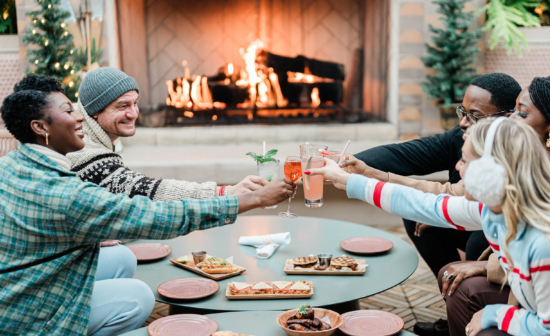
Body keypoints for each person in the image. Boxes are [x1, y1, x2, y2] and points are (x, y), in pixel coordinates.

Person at [0, 76, 294, 335]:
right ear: (40, 127)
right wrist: (244, 200)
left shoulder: (12, 163)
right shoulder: (65, 193)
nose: (80, 118)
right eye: (69, 111)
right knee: (139, 296)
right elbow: (151, 216)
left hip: (16, 283)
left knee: (122, 258)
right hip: (28, 314)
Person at [309, 117, 550, 336]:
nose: (458, 168)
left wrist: (496, 314)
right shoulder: (495, 209)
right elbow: (425, 206)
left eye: (465, 161)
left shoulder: (547, 242)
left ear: (494, 171)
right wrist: (348, 180)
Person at [345, 73, 521, 336]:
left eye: (474, 115)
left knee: (476, 240)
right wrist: (347, 165)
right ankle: (458, 310)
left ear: (506, 118)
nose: (462, 122)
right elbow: (409, 158)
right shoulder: (461, 135)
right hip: (478, 220)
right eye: (462, 111)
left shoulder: (521, 160)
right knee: (419, 217)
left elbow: (452, 196)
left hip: (514, 266)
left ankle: (475, 307)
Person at [11, 68, 267, 201]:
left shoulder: (91, 142)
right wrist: (225, 193)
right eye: (122, 106)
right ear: (93, 113)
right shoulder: (85, 155)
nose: (134, 114)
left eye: (135, 103)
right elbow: (149, 191)